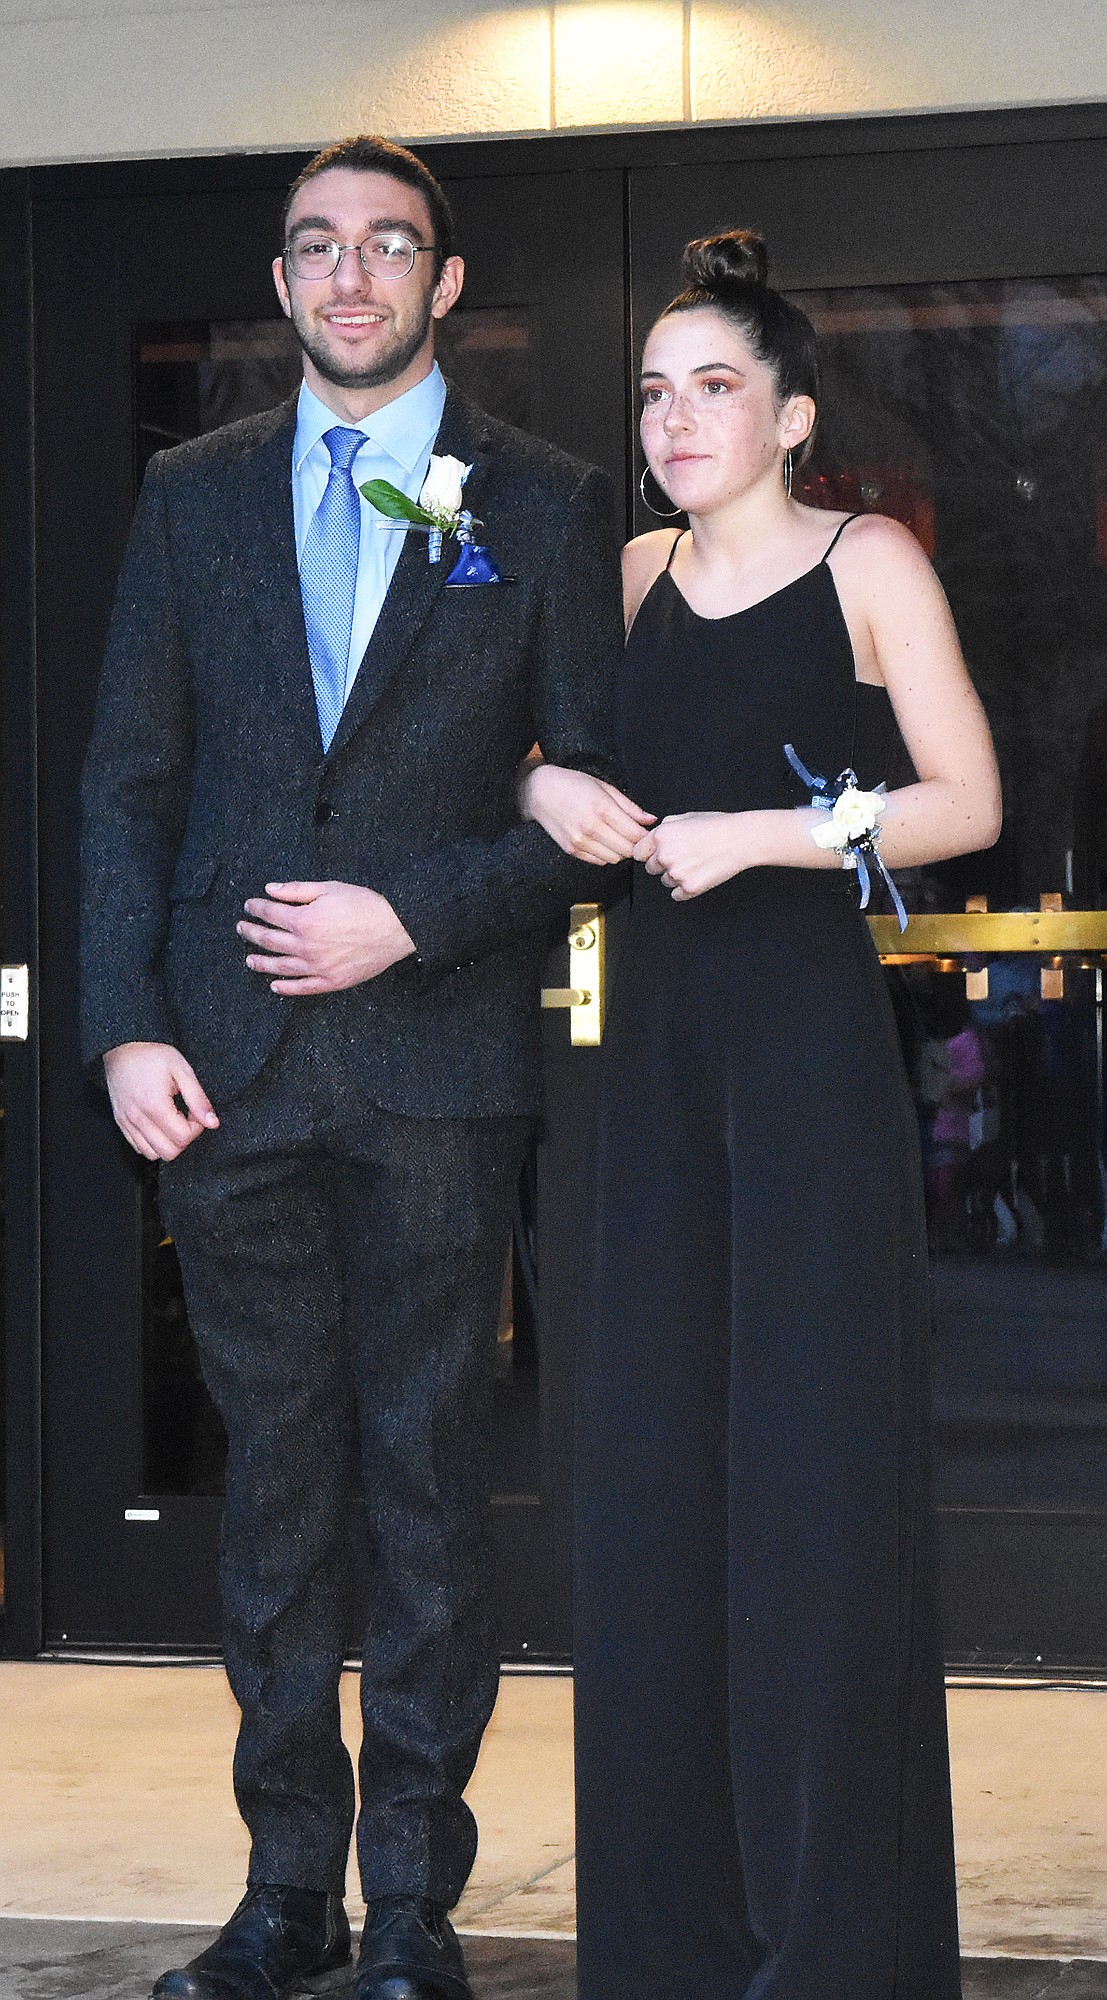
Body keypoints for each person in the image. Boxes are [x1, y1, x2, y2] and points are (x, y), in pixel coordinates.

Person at [80, 134, 623, 2000]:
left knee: (428, 1502)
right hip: (225, 1077)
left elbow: (583, 807)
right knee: (277, 1510)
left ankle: (413, 1912)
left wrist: (418, 914)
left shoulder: (540, 506)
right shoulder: (193, 493)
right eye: (317, 247)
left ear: (444, 283)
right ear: (287, 279)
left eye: (390, 246)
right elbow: (130, 782)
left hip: (433, 1072)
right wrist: (126, 1022)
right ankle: (285, 1892)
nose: (352, 275)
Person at [522, 229, 1002, 1998]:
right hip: (643, 1067)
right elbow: (512, 738)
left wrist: (774, 835)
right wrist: (546, 779)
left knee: (812, 1505)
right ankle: (664, 1947)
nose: (675, 416)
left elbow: (966, 798)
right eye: (654, 389)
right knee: (650, 1501)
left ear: (792, 414)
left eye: (715, 384)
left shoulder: (866, 559)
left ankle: (836, 1951)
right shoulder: (623, 566)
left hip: (804, 1067)